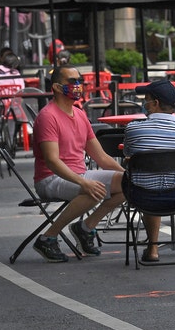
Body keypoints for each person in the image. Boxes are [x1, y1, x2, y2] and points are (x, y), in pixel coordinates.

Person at [31, 65, 126, 262]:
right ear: (57, 87)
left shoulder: (80, 114)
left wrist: (130, 175)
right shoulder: (48, 116)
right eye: (71, 82)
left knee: (129, 184)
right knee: (93, 189)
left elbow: (101, 157)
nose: (77, 85)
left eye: (79, 81)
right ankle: (48, 237)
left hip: (78, 175)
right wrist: (83, 183)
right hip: (50, 178)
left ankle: (85, 228)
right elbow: (52, 160)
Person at [122, 80, 175, 262]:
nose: (144, 104)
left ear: (155, 103)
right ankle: (152, 248)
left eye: (146, 99)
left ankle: (152, 247)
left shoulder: (134, 129)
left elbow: (128, 155)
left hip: (142, 197)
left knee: (141, 178)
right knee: (154, 177)